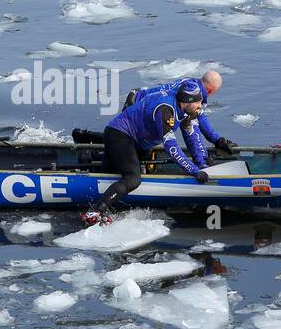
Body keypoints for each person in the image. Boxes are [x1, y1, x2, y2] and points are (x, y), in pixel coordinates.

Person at [82, 81, 207, 226]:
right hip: (121, 135)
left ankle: (96, 160)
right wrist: (193, 171)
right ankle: (96, 211)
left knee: (109, 173)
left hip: (132, 140)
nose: (201, 105)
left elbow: (191, 137)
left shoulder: (185, 109)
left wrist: (201, 162)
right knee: (133, 179)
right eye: (198, 101)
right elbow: (171, 147)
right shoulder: (166, 110)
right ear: (187, 101)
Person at [122, 70, 236, 164]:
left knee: (142, 148)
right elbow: (190, 130)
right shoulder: (191, 95)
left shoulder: (192, 85)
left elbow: (200, 117)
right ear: (211, 90)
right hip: (136, 105)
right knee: (131, 147)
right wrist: (202, 162)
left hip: (139, 97)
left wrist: (218, 140)